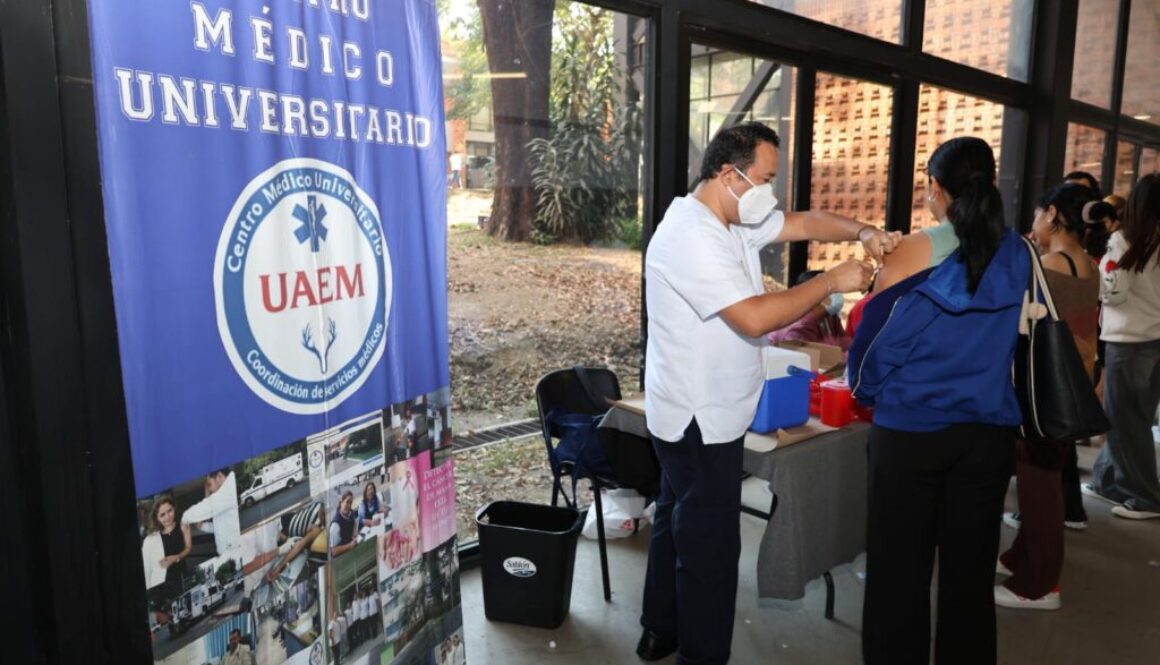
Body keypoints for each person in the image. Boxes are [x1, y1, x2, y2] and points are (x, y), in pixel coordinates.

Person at [638, 121, 893, 664]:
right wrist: (828, 282)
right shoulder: (692, 236)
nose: (769, 193)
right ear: (729, 175)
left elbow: (802, 222)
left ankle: (660, 626)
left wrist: (862, 232)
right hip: (699, 417)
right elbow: (754, 319)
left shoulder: (730, 218)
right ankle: (699, 654)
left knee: (674, 516)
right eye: (765, 178)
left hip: (700, 408)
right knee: (710, 549)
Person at [849, 137, 1029, 665]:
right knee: (970, 577)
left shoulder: (912, 252)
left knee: (897, 575)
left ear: (935, 189)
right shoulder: (1018, 250)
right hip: (989, 433)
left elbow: (871, 341)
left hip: (911, 433)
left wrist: (867, 392)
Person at [996, 183, 1101, 610]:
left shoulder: (1050, 264)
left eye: (1039, 213)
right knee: (1047, 477)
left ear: (1052, 213)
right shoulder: (1087, 264)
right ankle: (1022, 558)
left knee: (1038, 486)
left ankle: (1039, 585)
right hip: (1073, 383)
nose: (1034, 223)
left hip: (1044, 386)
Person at [1085, 173, 1160, 520]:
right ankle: (1106, 481)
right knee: (1135, 418)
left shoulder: (1125, 239)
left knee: (1123, 418)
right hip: (1154, 340)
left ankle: (1144, 496)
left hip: (1128, 341)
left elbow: (1113, 291)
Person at [766, 270, 852, 350]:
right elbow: (807, 355)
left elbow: (845, 342)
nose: (837, 295)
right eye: (831, 291)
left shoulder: (831, 317)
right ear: (814, 297)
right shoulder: (800, 324)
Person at [182, 468, 242, 558]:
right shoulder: (223, 498)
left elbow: (207, 506)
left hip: (233, 552)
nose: (209, 490)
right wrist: (203, 526)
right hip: (228, 553)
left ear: (219, 477)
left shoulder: (227, 492)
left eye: (209, 484)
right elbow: (221, 526)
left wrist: (184, 518)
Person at [141, 496, 192, 591]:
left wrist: (176, 558)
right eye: (162, 515)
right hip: (161, 581)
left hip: (181, 575)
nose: (168, 517)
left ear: (174, 508)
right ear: (157, 518)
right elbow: (146, 570)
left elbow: (188, 548)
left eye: (170, 511)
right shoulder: (151, 539)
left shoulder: (183, 526)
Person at [329, 492, 359, 557]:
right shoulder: (335, 526)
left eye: (350, 503)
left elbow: (354, 521)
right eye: (347, 502)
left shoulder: (350, 512)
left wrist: (354, 534)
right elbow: (333, 552)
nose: (349, 505)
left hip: (353, 547)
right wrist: (350, 546)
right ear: (341, 502)